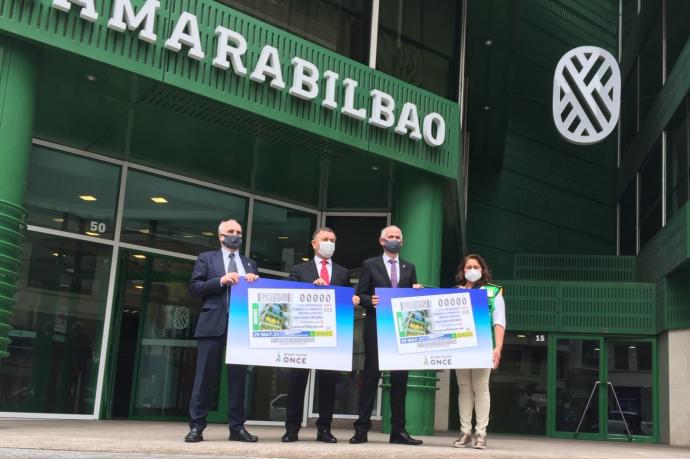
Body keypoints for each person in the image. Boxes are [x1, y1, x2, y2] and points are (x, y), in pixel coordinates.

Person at [281, 227, 360, 443]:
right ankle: (292, 429)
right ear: (314, 244)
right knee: (297, 383)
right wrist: (310, 288)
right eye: (325, 239)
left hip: (331, 335)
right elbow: (288, 298)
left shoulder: (343, 272)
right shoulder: (299, 269)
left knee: (328, 385)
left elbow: (344, 301)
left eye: (333, 240)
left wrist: (351, 302)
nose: (329, 243)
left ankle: (324, 429)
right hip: (303, 335)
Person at [185, 219, 260, 443]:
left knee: (238, 381)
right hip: (212, 325)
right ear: (220, 236)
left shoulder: (250, 264)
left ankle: (237, 428)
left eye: (238, 232)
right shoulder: (206, 258)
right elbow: (194, 288)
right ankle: (196, 427)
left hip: (240, 328)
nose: (235, 235)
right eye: (230, 231)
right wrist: (221, 280)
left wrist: (255, 282)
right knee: (204, 378)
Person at [350, 225, 424, 445]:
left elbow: (411, 299)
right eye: (390, 237)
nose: (394, 240)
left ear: (402, 241)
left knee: (400, 382)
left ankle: (398, 431)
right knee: (371, 378)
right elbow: (360, 294)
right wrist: (368, 300)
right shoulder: (370, 264)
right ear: (382, 241)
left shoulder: (409, 267)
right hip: (376, 329)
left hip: (402, 332)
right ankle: (361, 430)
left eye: (398, 237)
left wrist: (417, 291)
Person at [452, 254, 506, 450]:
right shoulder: (455, 292)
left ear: (483, 270)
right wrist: (418, 290)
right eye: (469, 267)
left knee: (481, 388)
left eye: (476, 266)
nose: (472, 270)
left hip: (484, 345)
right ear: (463, 271)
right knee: (464, 387)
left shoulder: (493, 291)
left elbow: (499, 321)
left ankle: (481, 434)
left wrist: (498, 347)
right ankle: (465, 432)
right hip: (461, 346)